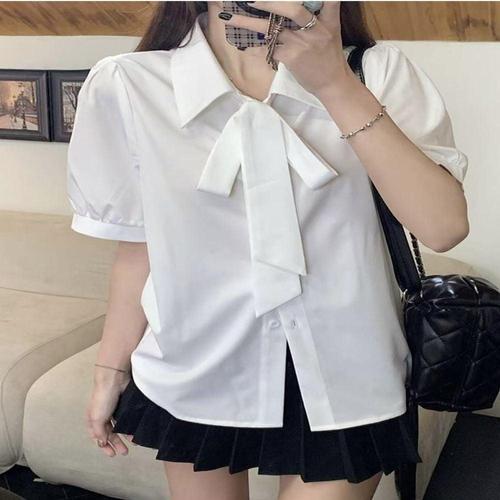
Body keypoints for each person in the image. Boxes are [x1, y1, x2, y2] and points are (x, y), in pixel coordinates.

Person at [67, 2, 469, 499]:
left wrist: (334, 84)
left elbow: (443, 226)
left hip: (347, 371)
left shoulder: (379, 71)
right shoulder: (128, 85)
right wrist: (109, 370)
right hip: (200, 365)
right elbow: (140, 248)